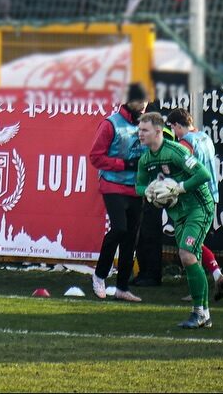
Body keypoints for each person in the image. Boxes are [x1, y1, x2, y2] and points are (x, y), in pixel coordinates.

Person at [134, 111, 217, 329]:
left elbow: (203, 175)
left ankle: (198, 312)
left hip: (199, 207)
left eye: (145, 130)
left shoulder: (176, 151)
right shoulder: (145, 160)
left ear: (158, 131)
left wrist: (179, 187)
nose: (140, 134)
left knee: (187, 254)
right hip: (178, 213)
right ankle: (204, 316)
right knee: (191, 260)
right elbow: (138, 186)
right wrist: (149, 190)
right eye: (139, 130)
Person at [88, 82, 147, 302]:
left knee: (131, 237)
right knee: (120, 228)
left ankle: (122, 287)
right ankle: (99, 274)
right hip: (113, 184)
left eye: (145, 101)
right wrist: (125, 164)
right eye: (139, 100)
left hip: (136, 188)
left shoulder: (146, 125)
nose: (143, 105)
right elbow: (95, 157)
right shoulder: (110, 124)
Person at [166, 107, 223, 302]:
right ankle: (216, 275)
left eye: (172, 128)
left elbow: (178, 164)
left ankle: (199, 289)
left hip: (196, 200)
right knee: (195, 242)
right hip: (212, 195)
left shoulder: (187, 143)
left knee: (188, 245)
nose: (173, 134)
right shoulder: (205, 137)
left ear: (177, 125)